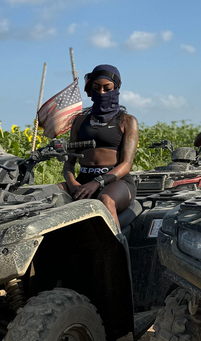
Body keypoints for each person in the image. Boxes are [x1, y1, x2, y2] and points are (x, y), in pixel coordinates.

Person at [62, 64, 138, 228]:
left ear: (116, 89)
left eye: (107, 88)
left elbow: (126, 164)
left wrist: (98, 182)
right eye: (96, 88)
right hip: (83, 180)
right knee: (49, 196)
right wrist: (73, 184)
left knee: (105, 201)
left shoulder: (127, 121)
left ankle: (118, 249)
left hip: (116, 182)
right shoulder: (80, 121)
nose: (101, 93)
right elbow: (69, 164)